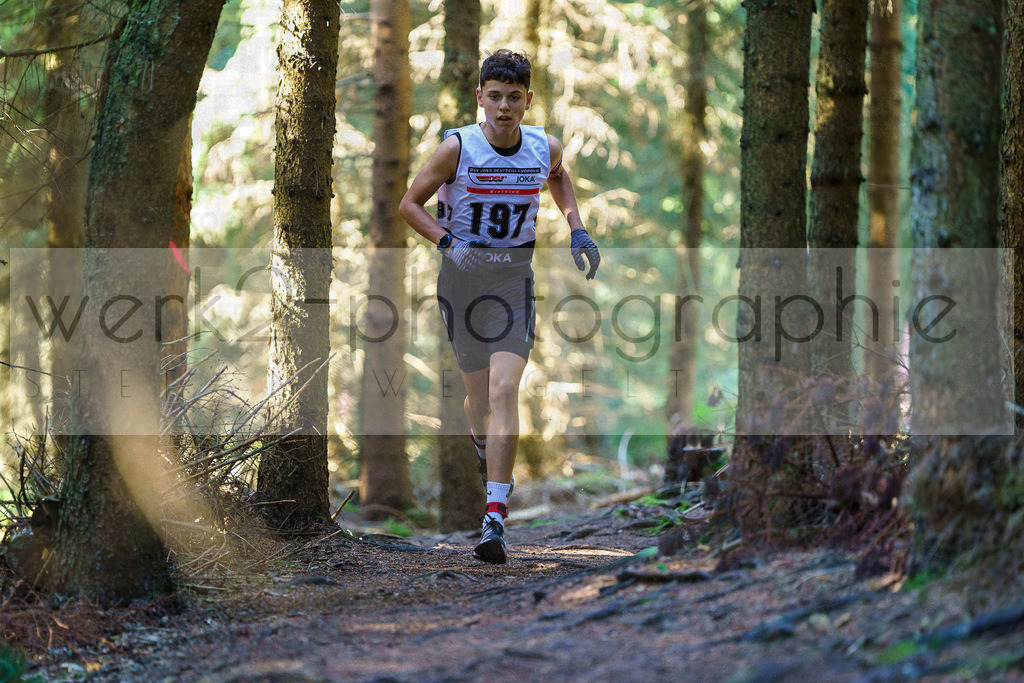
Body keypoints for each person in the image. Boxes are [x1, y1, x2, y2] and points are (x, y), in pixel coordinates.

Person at [399, 49, 600, 564]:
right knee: (480, 403)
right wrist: (448, 244)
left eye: (514, 98)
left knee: (505, 387)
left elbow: (558, 175)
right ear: (480, 98)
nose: (504, 107)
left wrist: (577, 227)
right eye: (495, 97)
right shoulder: (457, 147)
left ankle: (495, 518)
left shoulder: (542, 146)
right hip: (462, 281)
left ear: (528, 101)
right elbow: (408, 205)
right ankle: (483, 443)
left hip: (513, 279)